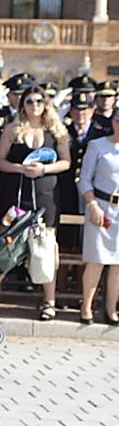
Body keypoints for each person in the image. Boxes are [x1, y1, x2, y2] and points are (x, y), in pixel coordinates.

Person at [0, 85, 70, 320]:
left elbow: (66, 162)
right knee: (5, 248)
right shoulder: (13, 129)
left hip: (46, 196)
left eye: (39, 101)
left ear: (46, 104)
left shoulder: (56, 130)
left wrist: (44, 169)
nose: (34, 106)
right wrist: (20, 168)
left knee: (46, 249)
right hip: (17, 198)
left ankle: (49, 302)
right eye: (29, 102)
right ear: (23, 105)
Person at [77, 112, 119, 324]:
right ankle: (86, 307)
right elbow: (84, 179)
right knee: (96, 261)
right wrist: (92, 205)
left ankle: (111, 310)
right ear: (113, 121)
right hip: (101, 206)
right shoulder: (97, 145)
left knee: (118, 265)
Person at [58, 92, 106, 255]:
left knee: (87, 238)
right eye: (76, 110)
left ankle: (80, 279)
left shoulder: (101, 132)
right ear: (70, 112)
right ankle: (62, 280)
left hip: (92, 188)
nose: (81, 114)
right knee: (65, 237)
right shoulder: (62, 131)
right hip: (66, 187)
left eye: (85, 110)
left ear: (92, 111)